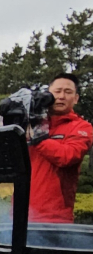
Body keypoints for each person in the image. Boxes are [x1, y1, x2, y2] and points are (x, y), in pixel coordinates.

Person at [28, 73, 92, 223]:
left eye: (68, 92)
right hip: (21, 213)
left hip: (55, 218)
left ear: (76, 98)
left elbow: (67, 156)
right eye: (57, 91)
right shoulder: (33, 123)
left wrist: (37, 137)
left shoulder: (82, 127)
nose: (61, 96)